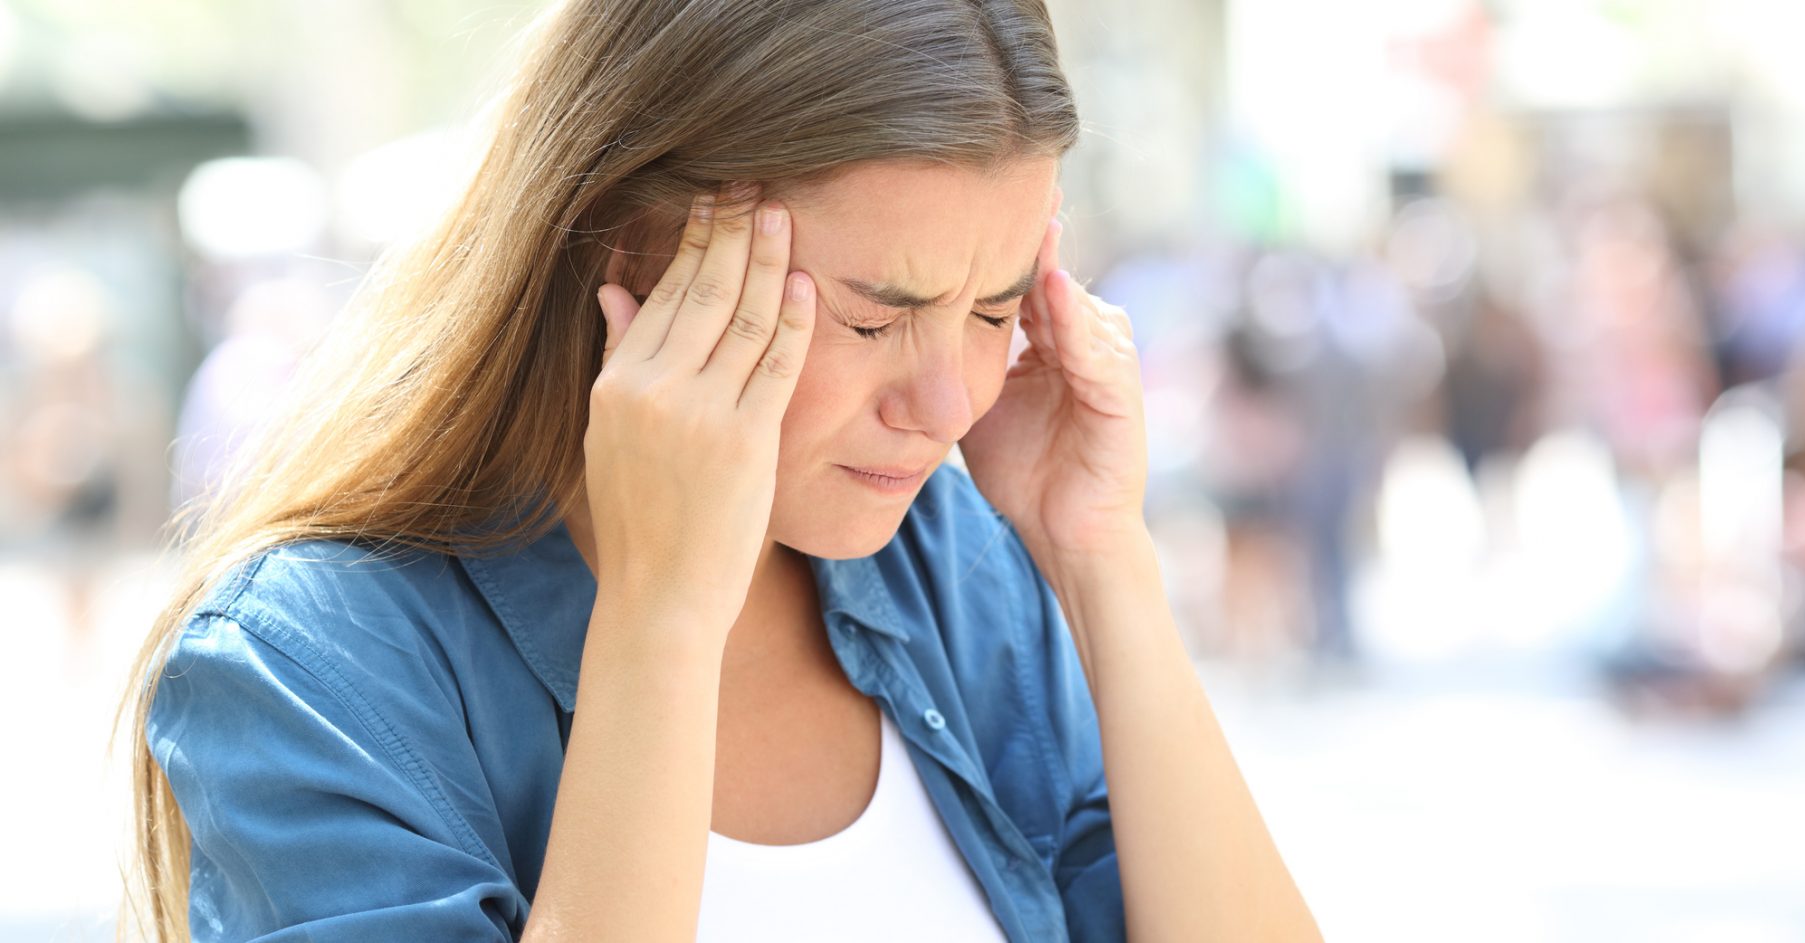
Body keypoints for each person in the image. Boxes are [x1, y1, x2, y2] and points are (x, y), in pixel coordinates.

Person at [115, 1, 1323, 940]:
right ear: (627, 242)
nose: (949, 402)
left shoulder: (953, 572)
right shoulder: (308, 669)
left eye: (994, 308)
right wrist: (662, 618)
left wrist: (1101, 559)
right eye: (870, 318)